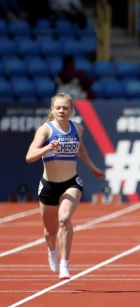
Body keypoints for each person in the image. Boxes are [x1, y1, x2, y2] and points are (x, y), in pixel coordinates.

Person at [25, 93, 106, 280]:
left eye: (65, 108)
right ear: (52, 110)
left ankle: (65, 264)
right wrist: (47, 148)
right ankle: (51, 249)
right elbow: (29, 156)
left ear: (72, 110)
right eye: (58, 108)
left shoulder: (78, 128)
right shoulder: (45, 130)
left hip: (71, 183)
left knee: (64, 219)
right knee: (50, 231)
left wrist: (92, 167)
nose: (62, 111)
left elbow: (80, 148)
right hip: (48, 186)